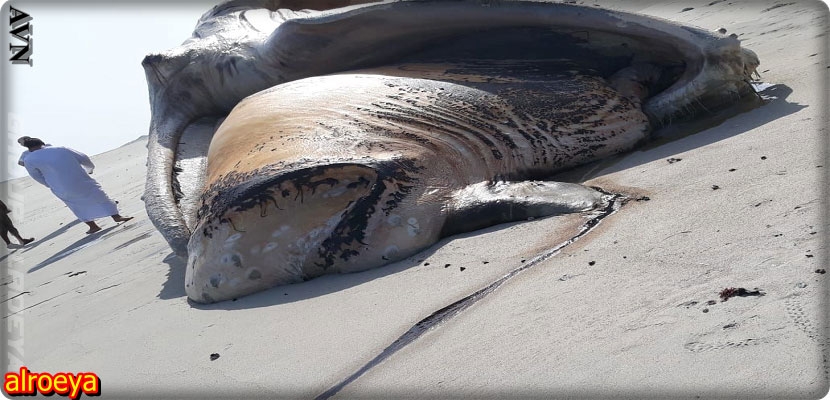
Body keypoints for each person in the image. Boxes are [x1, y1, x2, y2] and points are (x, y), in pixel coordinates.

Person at [22, 138, 133, 234]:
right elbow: (83, 158)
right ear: (42, 143)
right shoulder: (61, 148)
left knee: (75, 204)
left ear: (29, 148)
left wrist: (50, 184)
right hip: (80, 178)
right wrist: (89, 169)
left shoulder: (28, 159)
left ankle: (93, 226)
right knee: (99, 196)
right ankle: (116, 216)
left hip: (60, 186)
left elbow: (36, 176)